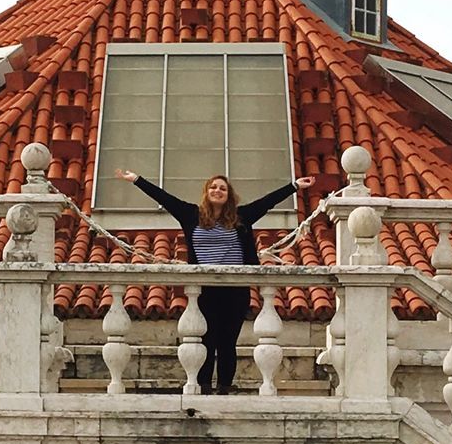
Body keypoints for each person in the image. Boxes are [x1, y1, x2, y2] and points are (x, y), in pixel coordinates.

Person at [114, 168, 315, 394]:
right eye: (213, 187)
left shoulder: (241, 217)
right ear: (206, 192)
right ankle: (204, 385)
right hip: (205, 290)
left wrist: (295, 186)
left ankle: (225, 387)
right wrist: (136, 180)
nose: (217, 191)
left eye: (222, 188)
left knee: (228, 341)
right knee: (206, 340)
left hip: (235, 290)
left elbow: (267, 202)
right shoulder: (191, 215)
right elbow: (164, 198)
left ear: (228, 195)